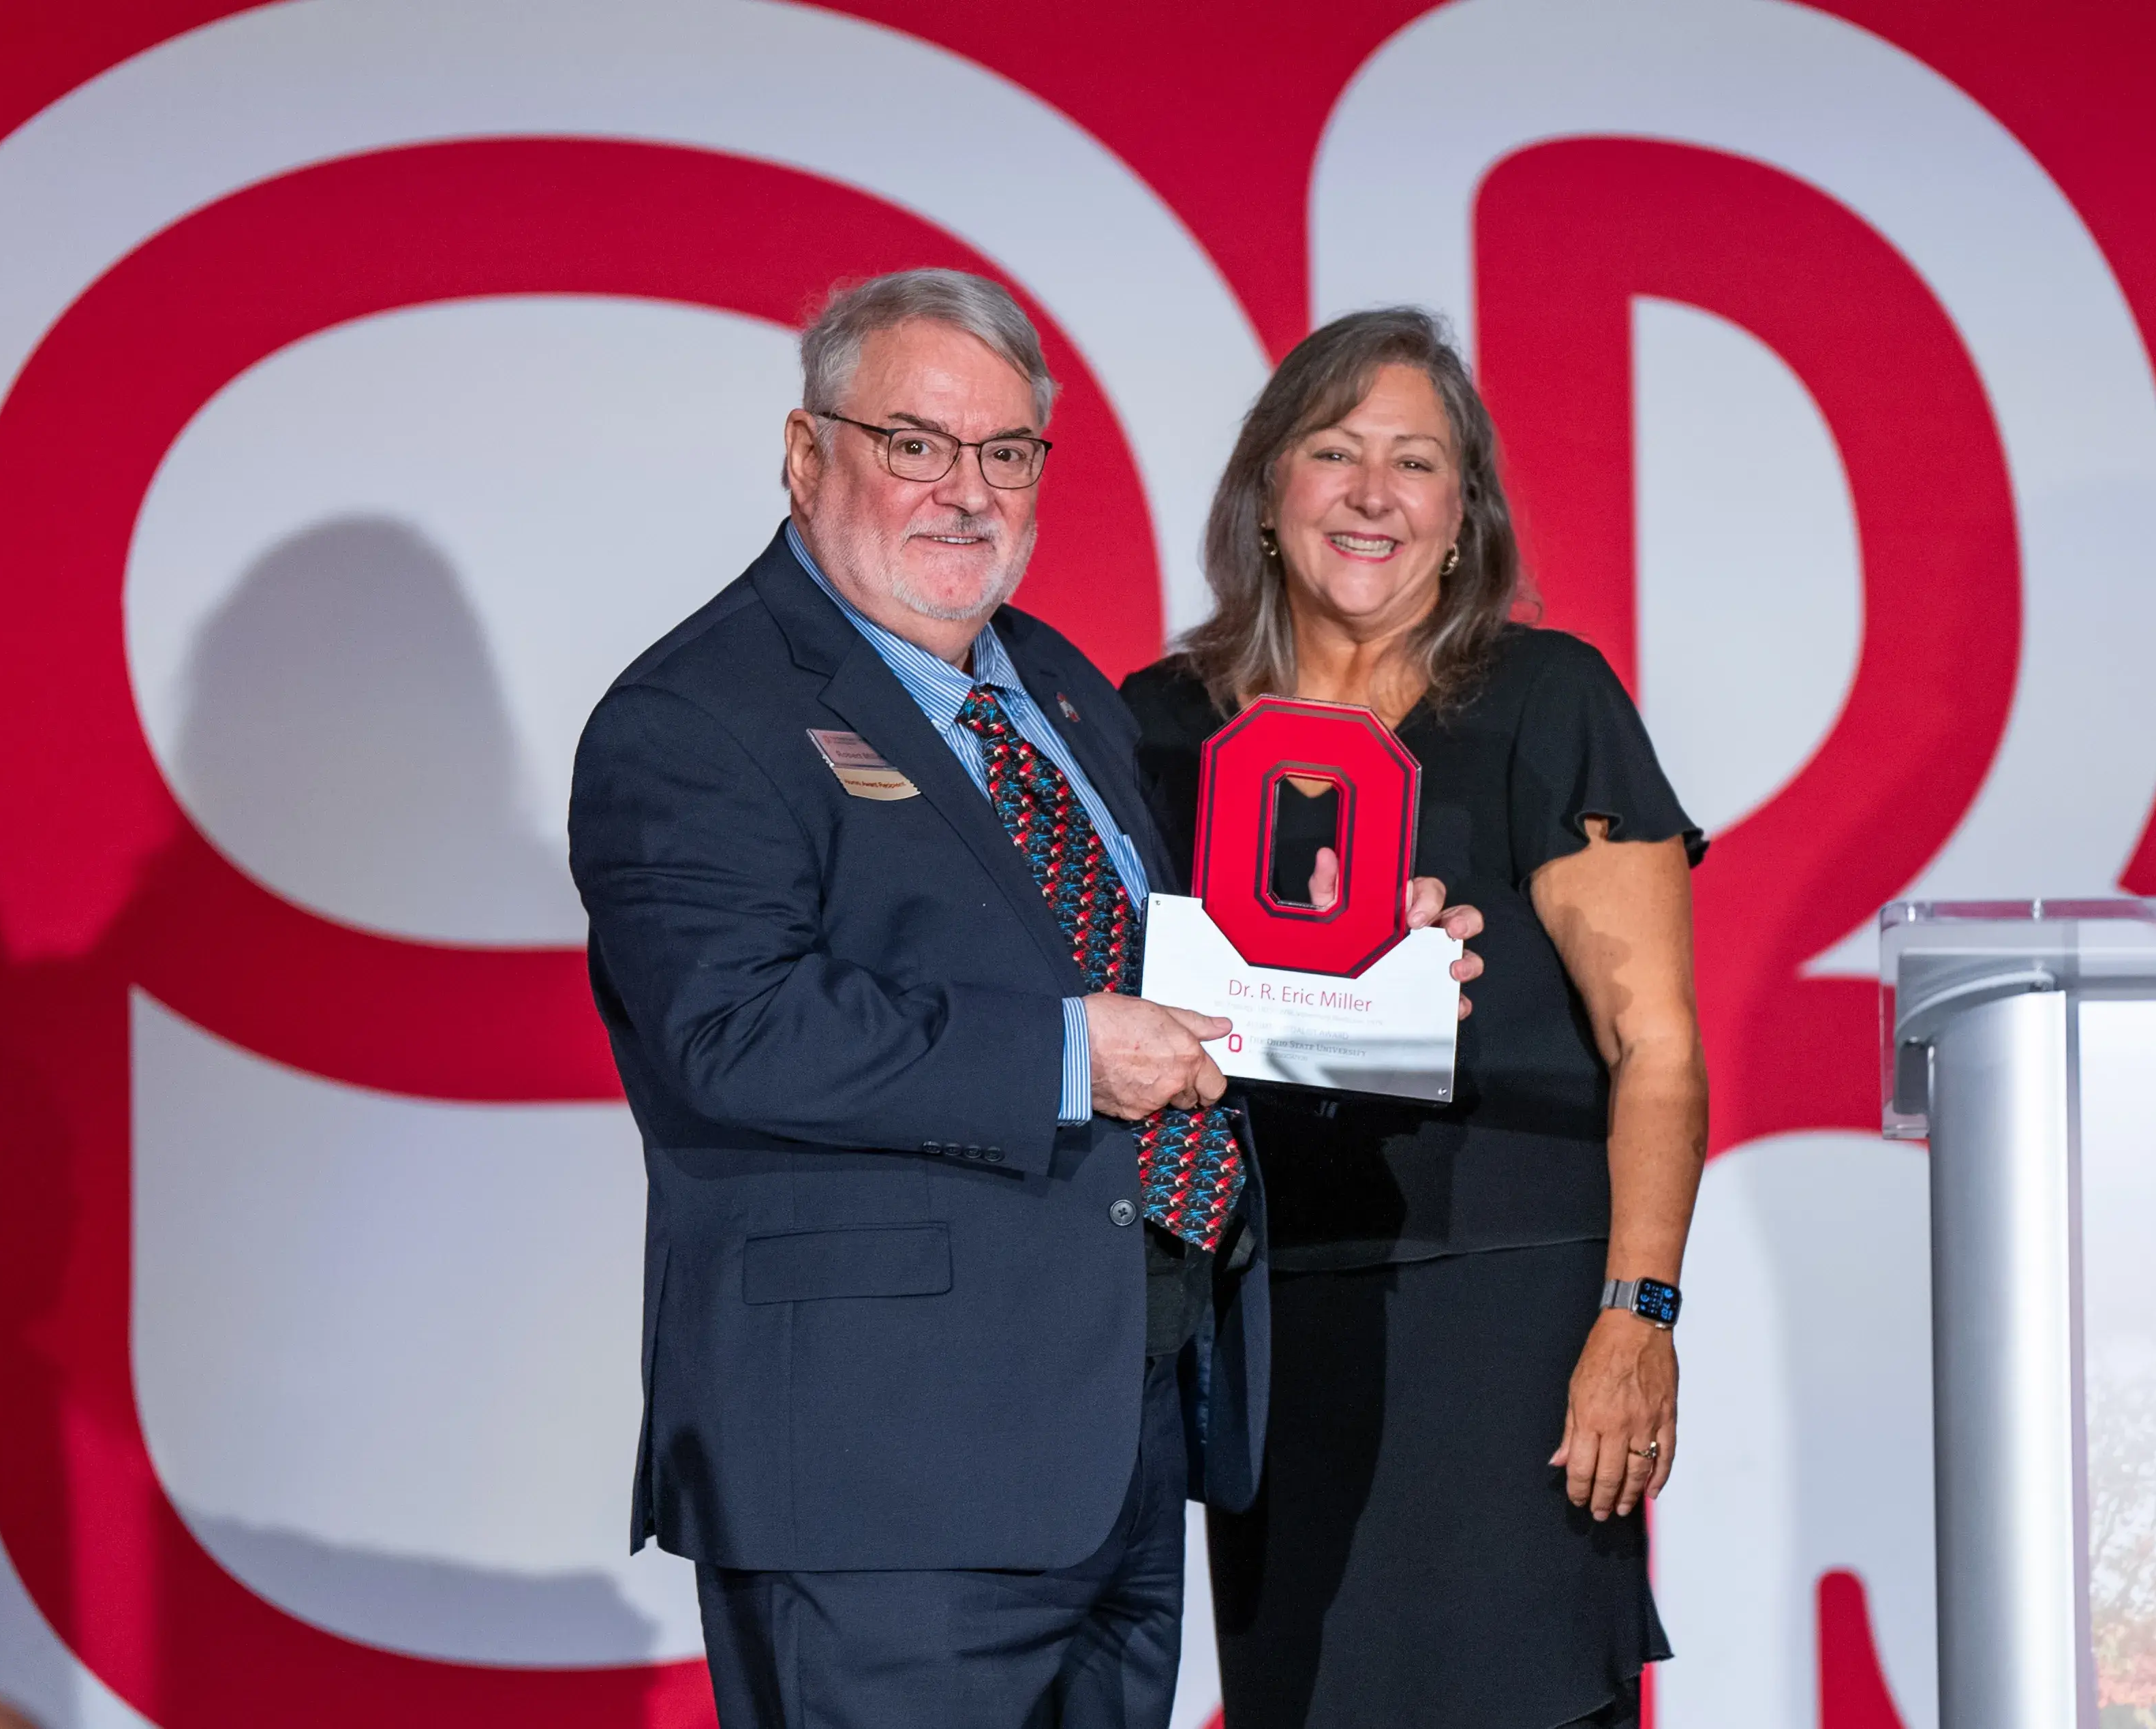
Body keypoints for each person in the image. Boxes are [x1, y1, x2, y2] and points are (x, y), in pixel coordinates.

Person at [567, 270, 1477, 1729]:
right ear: (808, 455)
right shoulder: (698, 715)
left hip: (1118, 1438)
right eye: (914, 443)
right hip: (877, 1478)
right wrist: (1067, 1055)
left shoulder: (1052, 683)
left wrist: (1360, 966)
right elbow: (729, 1036)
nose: (967, 492)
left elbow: (1166, 971)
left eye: (1007, 453)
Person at [1122, 307, 1708, 1729]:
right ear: (1268, 491)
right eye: (1333, 452)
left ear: (1464, 515)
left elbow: (1657, 1046)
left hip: (1507, 1313)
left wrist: (1637, 1315)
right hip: (1266, 1312)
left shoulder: (1544, 700)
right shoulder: (1151, 724)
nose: (1372, 494)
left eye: (1415, 462)